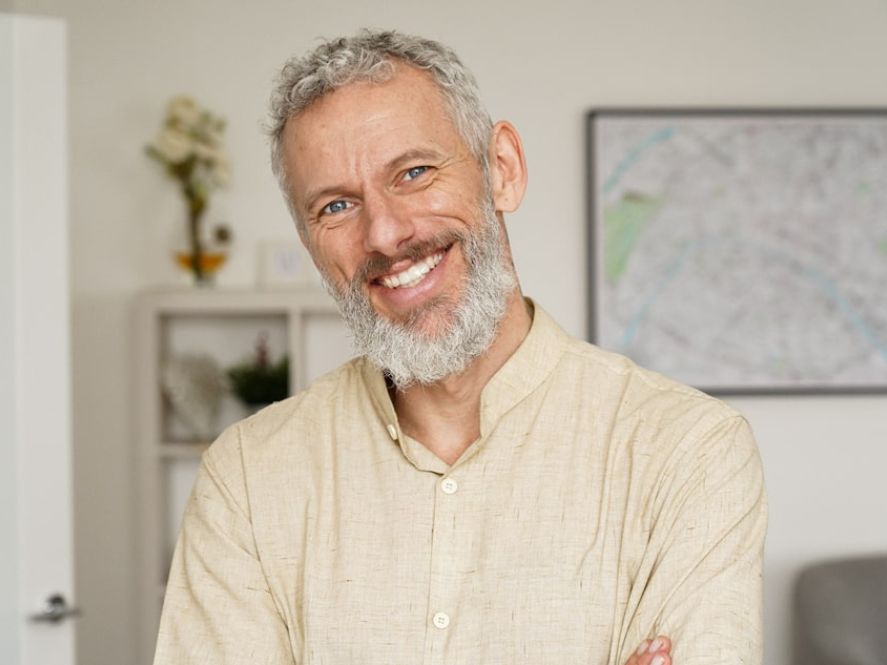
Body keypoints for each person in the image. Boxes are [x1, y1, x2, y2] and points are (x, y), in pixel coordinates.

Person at [153, 29, 766, 665]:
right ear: (310, 242)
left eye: (414, 173)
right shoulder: (248, 478)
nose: (384, 234)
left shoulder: (687, 450)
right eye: (336, 206)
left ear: (502, 169)